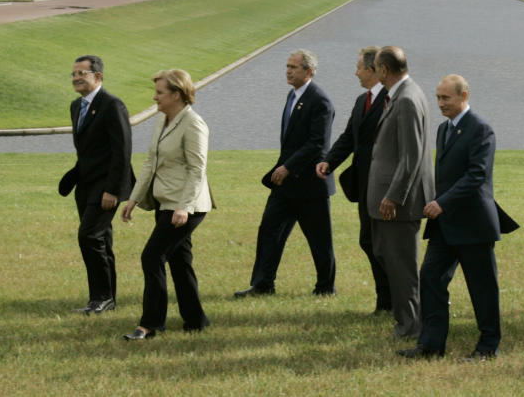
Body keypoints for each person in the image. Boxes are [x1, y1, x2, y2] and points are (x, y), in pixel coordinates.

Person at [398, 75, 518, 361]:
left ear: (464, 96)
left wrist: (443, 202)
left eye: (446, 98)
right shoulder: (443, 129)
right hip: (445, 225)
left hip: (474, 224)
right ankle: (431, 345)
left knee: (482, 287)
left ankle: (489, 346)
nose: (440, 104)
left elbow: (477, 176)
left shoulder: (481, 130)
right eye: (437, 97)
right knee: (430, 277)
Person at [120, 69, 214, 340]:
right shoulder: (162, 121)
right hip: (165, 203)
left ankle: (150, 324)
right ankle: (196, 321)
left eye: (160, 92)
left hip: (188, 206)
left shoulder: (193, 123)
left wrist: (183, 207)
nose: (155, 97)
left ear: (177, 94)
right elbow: (150, 162)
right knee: (179, 261)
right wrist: (133, 199)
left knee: (152, 256)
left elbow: (198, 170)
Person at [235, 49, 336, 298]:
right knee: (269, 230)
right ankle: (262, 284)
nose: (288, 71)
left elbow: (317, 145)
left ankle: (325, 288)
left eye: (294, 67)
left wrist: (288, 167)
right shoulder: (292, 96)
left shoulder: (320, 100)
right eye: (287, 66)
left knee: (319, 240)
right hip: (286, 185)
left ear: (309, 71)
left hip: (311, 184)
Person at [315, 46, 391, 314]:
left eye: (359, 67)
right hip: (364, 186)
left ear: (372, 70)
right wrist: (329, 161)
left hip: (383, 188)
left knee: (382, 245)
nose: (355, 72)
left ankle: (392, 302)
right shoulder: (362, 100)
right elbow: (349, 136)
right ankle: (385, 302)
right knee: (368, 242)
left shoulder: (390, 100)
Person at [367, 46, 434, 339]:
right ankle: (406, 320)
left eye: (375, 68)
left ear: (383, 70)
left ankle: (410, 325)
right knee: (386, 255)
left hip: (398, 204)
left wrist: (394, 196)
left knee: (402, 266)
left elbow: (412, 156)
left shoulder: (406, 99)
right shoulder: (405, 93)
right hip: (390, 201)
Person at [58, 55, 134, 315]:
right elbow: (88, 150)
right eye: (74, 73)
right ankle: (105, 298)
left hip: (106, 187)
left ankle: (101, 298)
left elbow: (122, 151)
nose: (77, 77)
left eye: (83, 73)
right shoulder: (75, 106)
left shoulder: (112, 105)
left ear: (98, 77)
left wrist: (113, 189)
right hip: (86, 186)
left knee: (89, 236)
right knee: (101, 239)